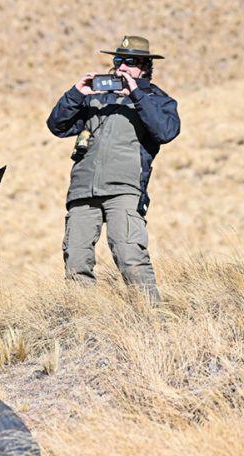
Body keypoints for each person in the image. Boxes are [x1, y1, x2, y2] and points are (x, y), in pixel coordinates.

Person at [46, 35, 180, 300]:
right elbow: (57, 126)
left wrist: (136, 94)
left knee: (130, 255)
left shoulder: (156, 99)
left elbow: (166, 131)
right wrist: (76, 94)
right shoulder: (95, 97)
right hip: (83, 191)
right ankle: (83, 323)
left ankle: (152, 317)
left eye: (129, 62)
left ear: (144, 65)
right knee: (76, 261)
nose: (121, 67)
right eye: (118, 60)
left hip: (125, 189)